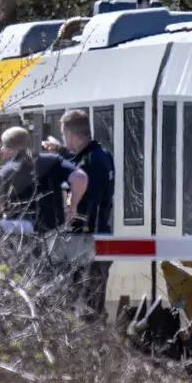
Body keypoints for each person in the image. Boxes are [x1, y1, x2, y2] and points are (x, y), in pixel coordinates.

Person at [44, 109, 115, 318]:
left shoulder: (90, 162)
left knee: (87, 306)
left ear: (71, 134)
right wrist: (63, 153)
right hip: (98, 235)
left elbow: (85, 202)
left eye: (65, 136)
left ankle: (90, 346)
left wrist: (66, 207)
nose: (65, 140)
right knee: (91, 302)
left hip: (86, 240)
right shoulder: (100, 154)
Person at [0, 126, 88, 233]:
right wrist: (72, 206)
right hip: (54, 232)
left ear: (5, 149)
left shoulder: (2, 174)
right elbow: (80, 178)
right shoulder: (53, 161)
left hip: (19, 236)